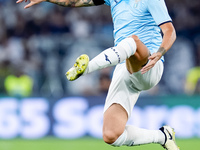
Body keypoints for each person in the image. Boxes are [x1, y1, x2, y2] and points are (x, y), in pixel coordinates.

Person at [17, 0, 178, 149]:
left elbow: (169, 31)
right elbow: (74, 1)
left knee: (133, 41)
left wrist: (160, 52)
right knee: (111, 135)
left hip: (150, 65)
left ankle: (86, 69)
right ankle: (163, 136)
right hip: (124, 69)